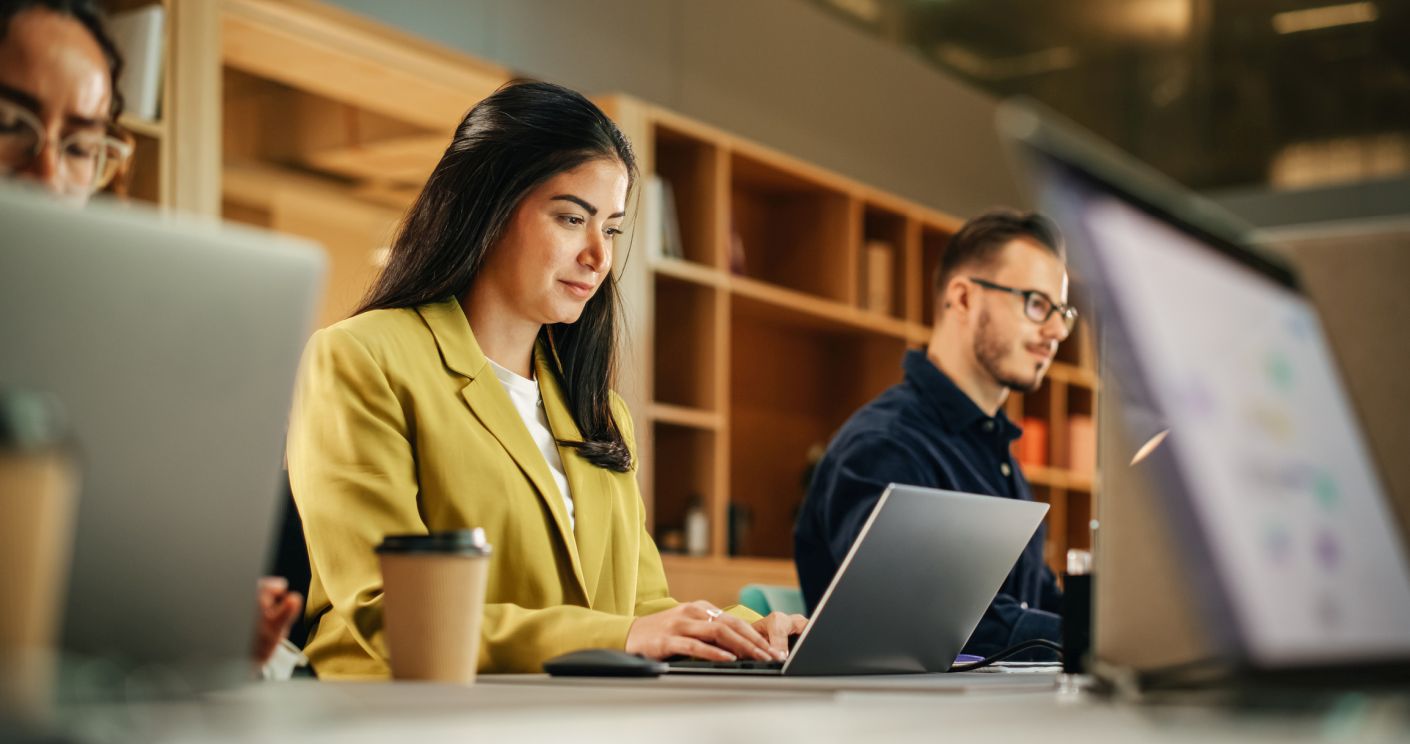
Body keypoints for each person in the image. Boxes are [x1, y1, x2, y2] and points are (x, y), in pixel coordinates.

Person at [287, 80, 807, 678]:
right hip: (405, 708)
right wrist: (625, 635)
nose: (598, 257)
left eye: (610, 229)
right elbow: (390, 611)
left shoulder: (597, 411)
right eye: (571, 218)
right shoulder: (361, 358)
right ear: (487, 208)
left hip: (565, 708)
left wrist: (744, 630)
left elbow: (639, 608)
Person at [0, 0, 302, 666]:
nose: (47, 172)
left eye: (80, 147)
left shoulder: (103, 353)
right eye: (9, 124)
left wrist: (198, 627)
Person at [793, 209, 1074, 658]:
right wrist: (1091, 641)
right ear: (963, 298)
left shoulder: (997, 456)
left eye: (1061, 312)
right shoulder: (884, 445)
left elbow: (1034, 599)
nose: (1057, 331)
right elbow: (929, 618)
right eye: (1036, 304)